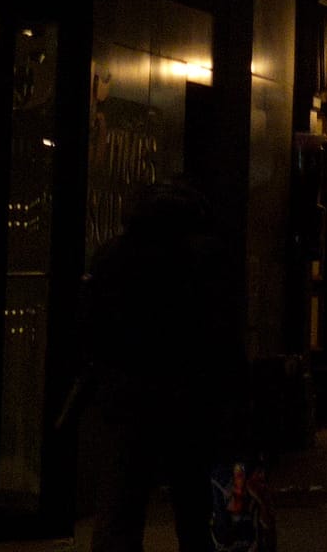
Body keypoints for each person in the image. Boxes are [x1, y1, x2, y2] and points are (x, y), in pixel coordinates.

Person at [82, 179, 245, 551]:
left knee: (122, 503)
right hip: (189, 396)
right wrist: (234, 392)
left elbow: (91, 327)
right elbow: (222, 332)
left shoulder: (112, 255)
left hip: (127, 395)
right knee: (193, 504)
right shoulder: (205, 257)